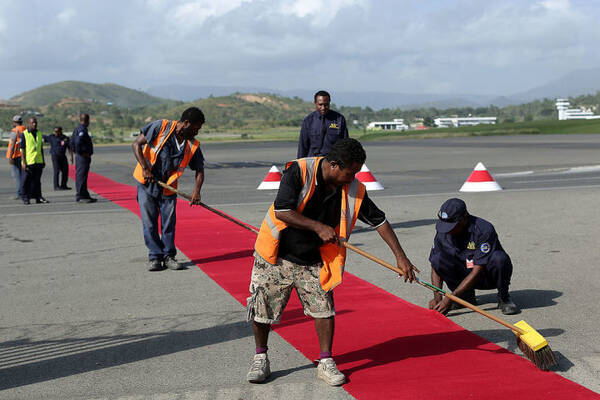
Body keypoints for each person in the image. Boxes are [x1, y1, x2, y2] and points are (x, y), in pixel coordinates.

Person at [246, 138, 418, 386]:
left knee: (324, 310)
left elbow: (379, 221)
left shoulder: (353, 189)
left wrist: (401, 257)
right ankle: (261, 357)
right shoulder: (299, 170)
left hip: (315, 259)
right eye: (351, 172)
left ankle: (325, 361)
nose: (354, 177)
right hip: (277, 254)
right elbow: (283, 210)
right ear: (334, 165)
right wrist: (318, 227)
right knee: (263, 309)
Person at [132, 107, 206, 272]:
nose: (196, 132)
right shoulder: (161, 127)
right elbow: (136, 144)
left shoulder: (192, 144)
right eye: (195, 128)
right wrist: (145, 168)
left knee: (168, 223)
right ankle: (155, 257)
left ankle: (169, 256)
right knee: (149, 223)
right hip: (147, 183)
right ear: (185, 123)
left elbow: (200, 170)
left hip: (168, 187)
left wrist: (197, 192)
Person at [428, 198, 520, 315]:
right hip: (462, 273)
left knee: (499, 259)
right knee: (437, 259)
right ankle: (465, 297)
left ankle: (504, 297)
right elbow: (435, 266)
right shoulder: (443, 231)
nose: (448, 231)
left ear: (464, 218)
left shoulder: (484, 229)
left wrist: (451, 297)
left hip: (484, 276)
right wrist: (438, 296)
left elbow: (478, 269)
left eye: (452, 226)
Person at [297, 90, 349, 158]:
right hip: (313, 162)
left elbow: (345, 145)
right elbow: (302, 146)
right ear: (315, 103)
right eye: (320, 104)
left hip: (333, 162)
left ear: (329, 103)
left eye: (326, 104)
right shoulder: (308, 121)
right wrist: (299, 165)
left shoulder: (339, 119)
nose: (323, 108)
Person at [19, 117, 48, 205]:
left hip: (38, 161)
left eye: (35, 122)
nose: (34, 124)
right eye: (32, 123)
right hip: (29, 161)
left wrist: (43, 160)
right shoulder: (24, 134)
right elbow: (22, 149)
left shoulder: (39, 133)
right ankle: (25, 198)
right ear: (28, 123)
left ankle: (38, 197)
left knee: (37, 181)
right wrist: (24, 162)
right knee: (25, 181)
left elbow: (40, 148)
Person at [71, 113, 97, 203]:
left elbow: (71, 142)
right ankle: (80, 196)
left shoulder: (77, 129)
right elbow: (78, 142)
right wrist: (82, 153)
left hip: (80, 156)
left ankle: (85, 194)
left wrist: (76, 151)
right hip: (82, 157)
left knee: (83, 176)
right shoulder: (82, 129)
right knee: (81, 176)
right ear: (87, 121)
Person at [6, 115, 26, 199]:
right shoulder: (25, 130)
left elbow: (13, 143)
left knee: (16, 176)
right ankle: (24, 192)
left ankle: (19, 193)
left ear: (14, 122)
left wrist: (10, 156)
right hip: (23, 155)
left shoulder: (15, 130)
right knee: (22, 175)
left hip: (15, 156)